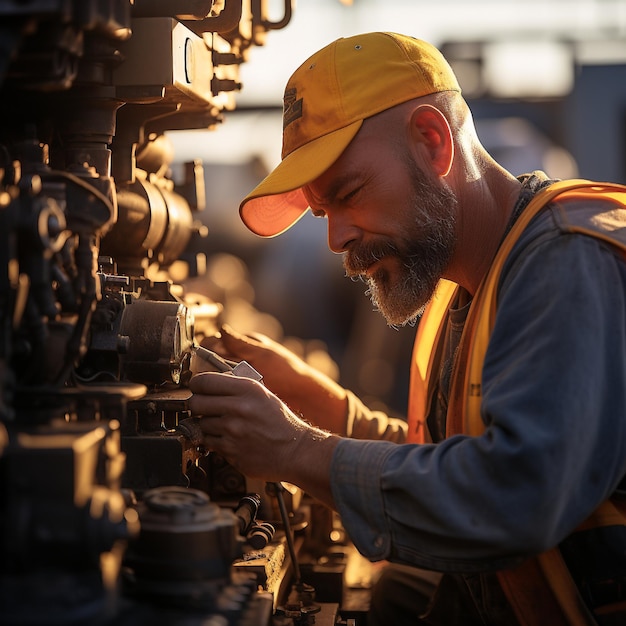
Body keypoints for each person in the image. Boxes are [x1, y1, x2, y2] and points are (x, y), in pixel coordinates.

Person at [188, 32, 626, 625]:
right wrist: (331, 415)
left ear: (432, 141)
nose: (335, 238)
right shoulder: (471, 284)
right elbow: (454, 465)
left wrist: (294, 448)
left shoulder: (568, 261)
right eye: (323, 211)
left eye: (349, 193)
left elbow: (512, 497)